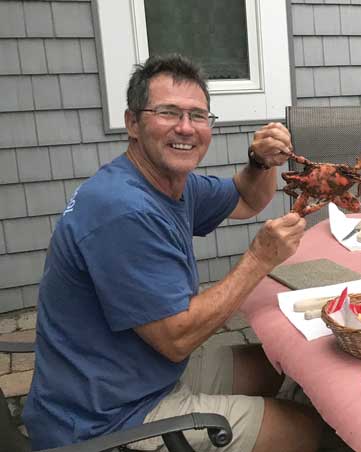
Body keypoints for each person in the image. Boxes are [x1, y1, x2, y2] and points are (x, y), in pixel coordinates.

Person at [23, 54, 324, 452]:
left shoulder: (170, 184)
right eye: (168, 112)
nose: (186, 127)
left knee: (292, 368)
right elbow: (177, 339)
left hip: (144, 374)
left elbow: (248, 200)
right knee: (310, 429)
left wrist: (260, 161)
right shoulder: (123, 211)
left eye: (198, 115)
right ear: (133, 123)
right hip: (107, 419)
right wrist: (259, 259)